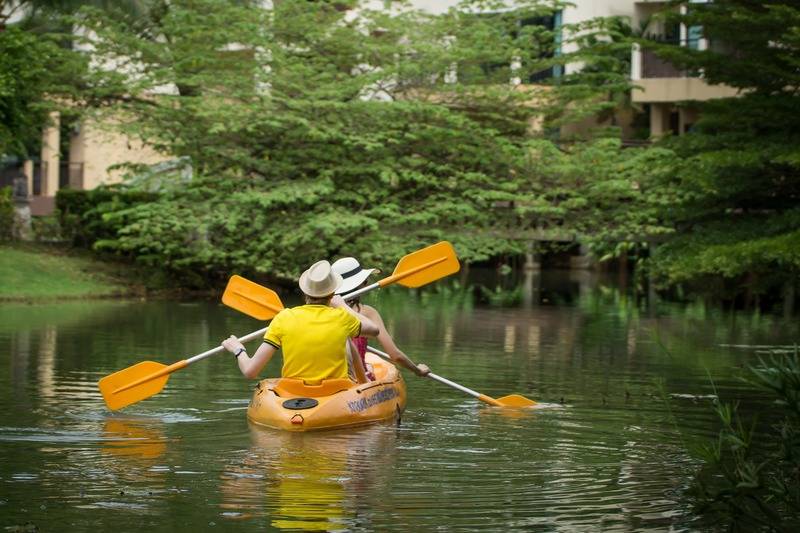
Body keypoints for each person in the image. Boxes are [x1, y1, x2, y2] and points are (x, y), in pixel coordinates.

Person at [221, 260, 379, 383]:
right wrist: (343, 306)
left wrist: (238, 349)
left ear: (305, 292)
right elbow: (374, 330)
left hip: (293, 394)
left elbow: (250, 371)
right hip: (335, 393)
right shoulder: (343, 318)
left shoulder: (284, 318)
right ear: (332, 294)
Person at [331, 257, 430, 381]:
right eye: (365, 281)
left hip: (327, 380)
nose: (366, 283)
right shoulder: (367, 313)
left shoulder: (319, 310)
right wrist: (417, 370)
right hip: (357, 381)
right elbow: (395, 356)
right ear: (360, 285)